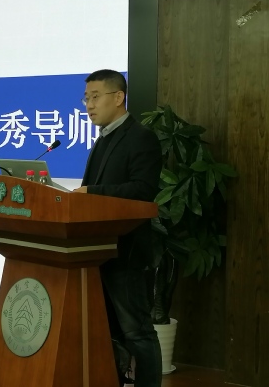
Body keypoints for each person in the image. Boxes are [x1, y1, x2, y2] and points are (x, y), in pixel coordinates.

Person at [73, 69, 162, 387]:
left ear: (118, 97)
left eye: (95, 97)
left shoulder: (141, 137)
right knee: (108, 331)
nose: (89, 105)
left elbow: (143, 190)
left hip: (126, 252)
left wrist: (91, 193)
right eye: (86, 98)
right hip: (99, 249)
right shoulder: (103, 139)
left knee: (137, 332)